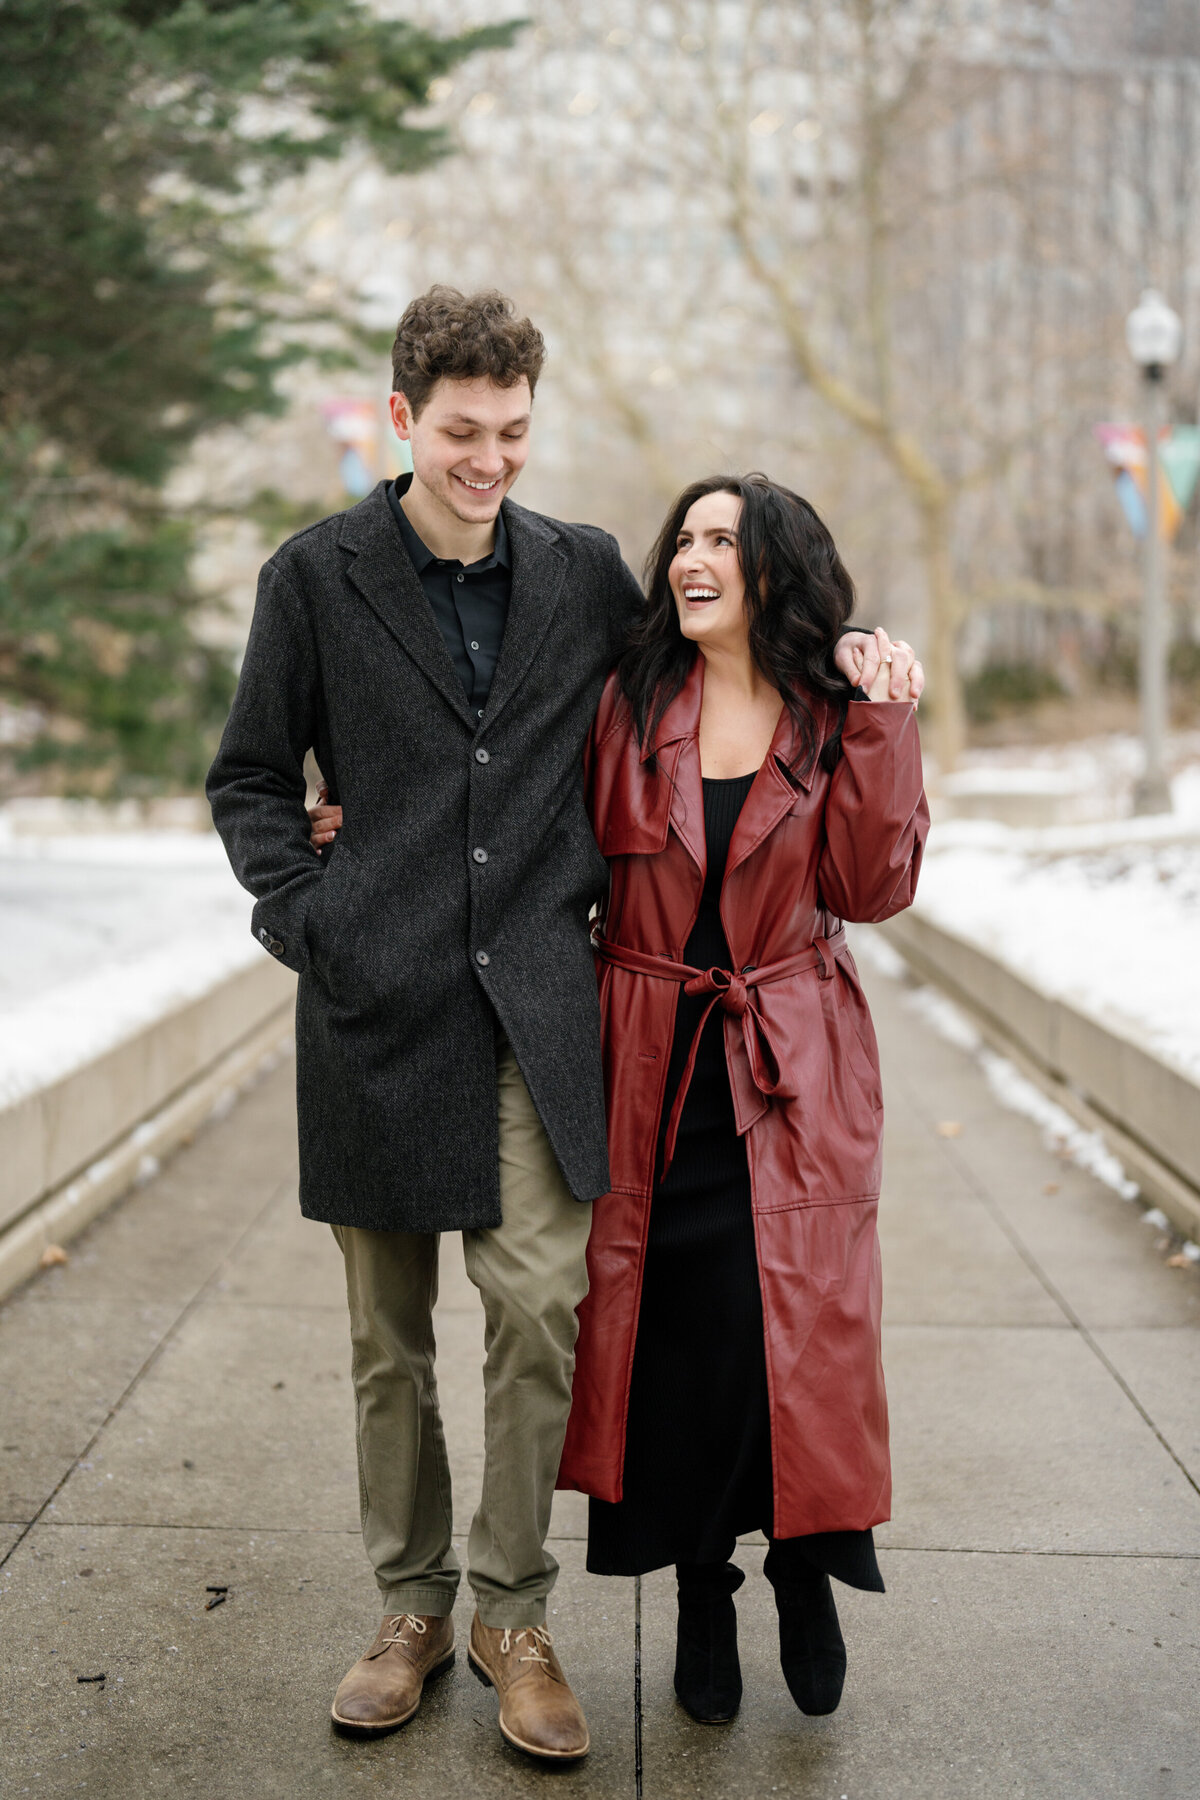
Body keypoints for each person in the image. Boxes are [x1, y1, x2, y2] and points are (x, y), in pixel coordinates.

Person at [213, 283, 884, 1762]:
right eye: (462, 432)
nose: (490, 460)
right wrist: (305, 915)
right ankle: (410, 1605)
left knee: (538, 1309)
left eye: (514, 432)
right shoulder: (313, 578)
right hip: (374, 1016)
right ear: (402, 419)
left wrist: (846, 658)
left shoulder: (582, 573)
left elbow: (719, 640)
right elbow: (253, 777)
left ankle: (513, 1615)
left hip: (537, 1012)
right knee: (388, 1339)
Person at [556, 473, 928, 1724]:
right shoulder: (627, 701)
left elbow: (874, 888)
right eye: (685, 540)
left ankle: (805, 1567)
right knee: (683, 1346)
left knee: (800, 1342)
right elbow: (521, 820)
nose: (691, 559)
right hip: (652, 1062)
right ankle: (705, 1584)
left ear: (775, 568)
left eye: (723, 540)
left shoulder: (834, 711)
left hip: (792, 1063)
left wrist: (882, 721)